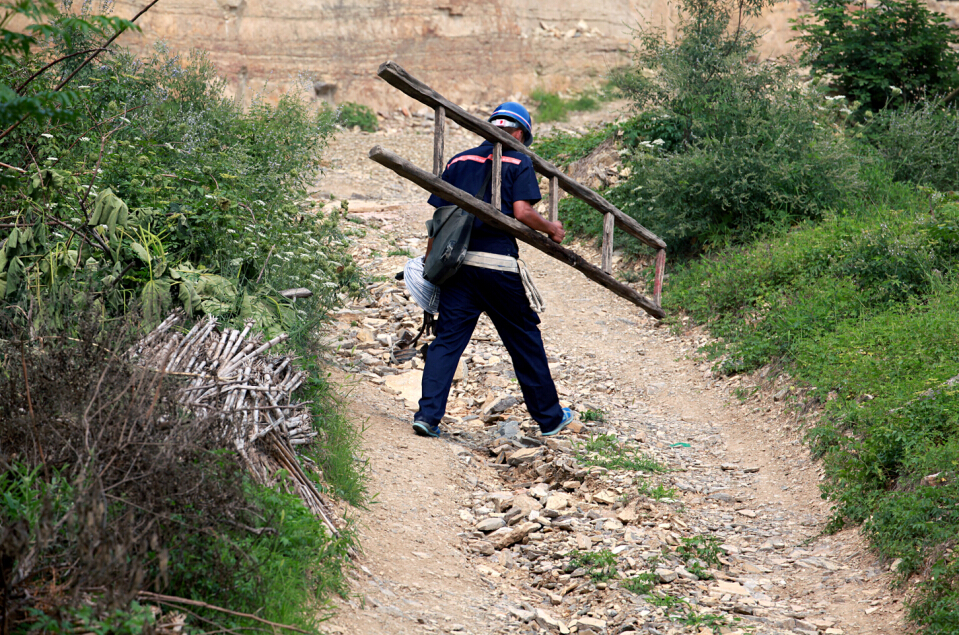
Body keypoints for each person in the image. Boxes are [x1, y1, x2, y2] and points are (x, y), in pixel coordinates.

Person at [412, 101, 575, 438]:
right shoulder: (518, 159)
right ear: (520, 133)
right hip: (498, 266)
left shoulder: (459, 160)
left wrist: (430, 269)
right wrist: (551, 228)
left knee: (447, 342)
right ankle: (550, 418)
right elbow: (522, 212)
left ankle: (427, 417)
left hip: (458, 268)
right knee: (525, 341)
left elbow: (438, 222)